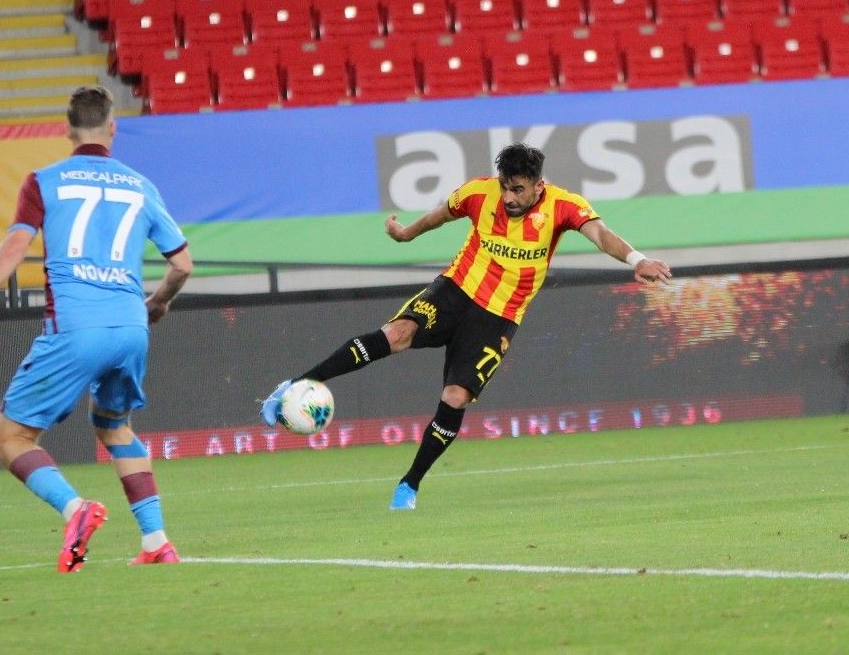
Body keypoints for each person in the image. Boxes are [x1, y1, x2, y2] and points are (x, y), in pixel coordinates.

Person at [260, 143, 671, 510]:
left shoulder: (564, 206)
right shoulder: (479, 193)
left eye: (518, 190)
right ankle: (293, 386)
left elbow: (600, 234)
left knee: (455, 397)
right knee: (396, 334)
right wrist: (406, 234)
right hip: (455, 290)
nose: (509, 197)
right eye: (505, 187)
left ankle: (409, 484)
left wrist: (637, 260)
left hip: (499, 317)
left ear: (538, 186)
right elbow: (439, 215)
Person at [0, 86, 193, 571]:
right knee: (114, 425)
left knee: (11, 439)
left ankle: (75, 509)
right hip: (130, 327)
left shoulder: (44, 181)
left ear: (67, 129)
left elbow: (15, 246)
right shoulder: (141, 186)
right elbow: (182, 264)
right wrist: (158, 303)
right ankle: (157, 542)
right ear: (112, 128)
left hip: (76, 327)